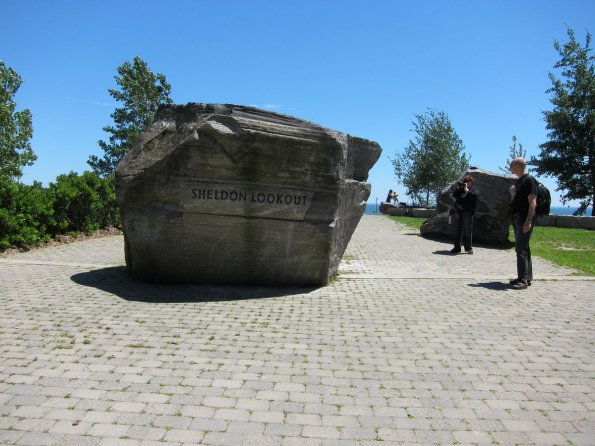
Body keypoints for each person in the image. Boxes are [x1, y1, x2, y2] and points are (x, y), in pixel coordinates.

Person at [509, 157, 538, 289]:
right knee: (524, 247)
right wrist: (513, 193)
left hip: (524, 218)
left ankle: (523, 280)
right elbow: (518, 200)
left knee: (520, 249)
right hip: (517, 217)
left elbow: (533, 201)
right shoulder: (520, 181)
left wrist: (529, 220)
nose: (510, 167)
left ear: (518, 166)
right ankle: (526, 277)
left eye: (512, 165)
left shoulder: (529, 180)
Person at [450, 174, 478, 254]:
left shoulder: (474, 190)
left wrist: (466, 189)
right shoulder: (461, 190)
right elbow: (454, 195)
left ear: (472, 183)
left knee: (467, 230)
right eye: (466, 182)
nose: (467, 184)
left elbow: (474, 197)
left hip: (468, 213)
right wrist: (458, 188)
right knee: (457, 230)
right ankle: (457, 247)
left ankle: (468, 248)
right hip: (458, 212)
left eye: (469, 183)